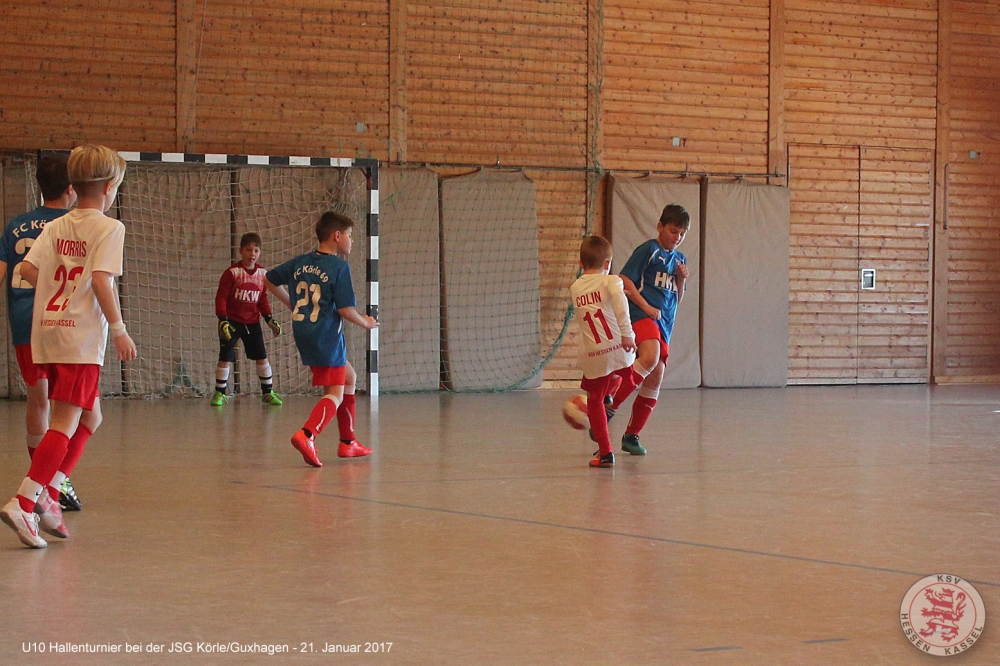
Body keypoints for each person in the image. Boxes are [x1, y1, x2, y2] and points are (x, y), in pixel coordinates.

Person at [0, 144, 137, 548]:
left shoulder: (56, 225)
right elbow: (101, 281)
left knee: (92, 416)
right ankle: (25, 501)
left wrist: (56, 284)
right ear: (109, 188)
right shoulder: (110, 228)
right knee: (65, 421)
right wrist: (119, 329)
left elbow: (27, 269)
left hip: (47, 330)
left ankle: (50, 489)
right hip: (79, 337)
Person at [0, 152, 86, 512]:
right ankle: (49, 482)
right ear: (72, 188)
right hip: (63, 322)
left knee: (38, 401)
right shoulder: (73, 224)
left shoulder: (16, 225)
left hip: (24, 322)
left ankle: (42, 481)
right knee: (78, 409)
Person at [264, 211, 378, 467]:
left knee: (349, 377)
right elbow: (345, 309)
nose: (351, 240)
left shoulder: (300, 262)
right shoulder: (339, 267)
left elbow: (268, 279)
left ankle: (348, 442)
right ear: (337, 236)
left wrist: (292, 303)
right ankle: (307, 435)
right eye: (349, 235)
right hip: (326, 335)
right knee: (334, 393)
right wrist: (365, 322)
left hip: (304, 331)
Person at [604, 203, 690, 456]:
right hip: (642, 315)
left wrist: (681, 279)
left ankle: (631, 435)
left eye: (682, 234)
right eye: (673, 231)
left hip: (664, 324)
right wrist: (646, 306)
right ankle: (610, 406)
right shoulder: (649, 250)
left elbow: (678, 299)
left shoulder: (680, 259)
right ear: (660, 227)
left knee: (655, 377)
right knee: (650, 357)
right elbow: (624, 279)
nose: (677, 237)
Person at [570, 235, 636, 467]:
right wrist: (627, 333)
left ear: (580, 263)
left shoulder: (575, 288)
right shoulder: (613, 281)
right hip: (619, 346)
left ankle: (606, 453)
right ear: (608, 263)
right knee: (630, 375)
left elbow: (594, 304)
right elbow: (619, 305)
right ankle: (612, 393)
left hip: (594, 353)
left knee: (594, 400)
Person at [211, 232, 283, 406]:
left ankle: (267, 392)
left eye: (256, 250)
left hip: (252, 322)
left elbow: (262, 298)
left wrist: (269, 318)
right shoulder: (232, 273)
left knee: (261, 356)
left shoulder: (262, 274)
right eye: (249, 250)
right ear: (241, 251)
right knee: (225, 356)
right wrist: (223, 319)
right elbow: (221, 297)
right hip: (232, 322)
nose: (252, 254)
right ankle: (219, 392)